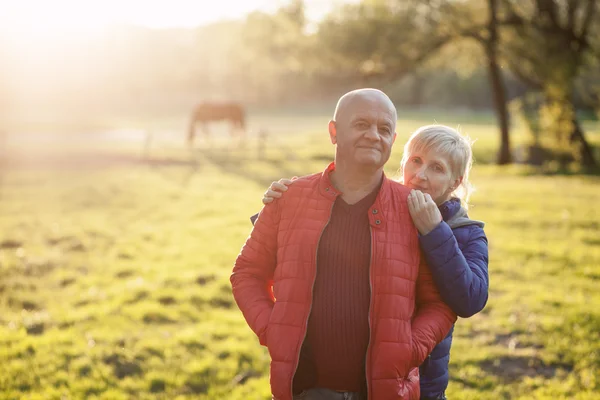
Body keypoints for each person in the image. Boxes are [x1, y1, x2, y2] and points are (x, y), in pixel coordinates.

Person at [231, 88, 457, 400]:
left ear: (393, 140)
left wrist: (410, 348)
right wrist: (273, 329)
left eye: (384, 129)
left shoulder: (415, 209)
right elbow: (247, 273)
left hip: (386, 390)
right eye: (361, 124)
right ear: (334, 132)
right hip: (304, 389)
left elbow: (440, 301)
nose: (373, 136)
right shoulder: (288, 198)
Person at [260, 125, 489, 400]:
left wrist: (435, 232)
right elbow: (317, 249)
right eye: (416, 161)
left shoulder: (467, 231)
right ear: (403, 162)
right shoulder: (378, 207)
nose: (420, 175)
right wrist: (282, 202)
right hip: (356, 375)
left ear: (455, 182)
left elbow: (471, 299)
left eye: (437, 168)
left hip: (421, 380)